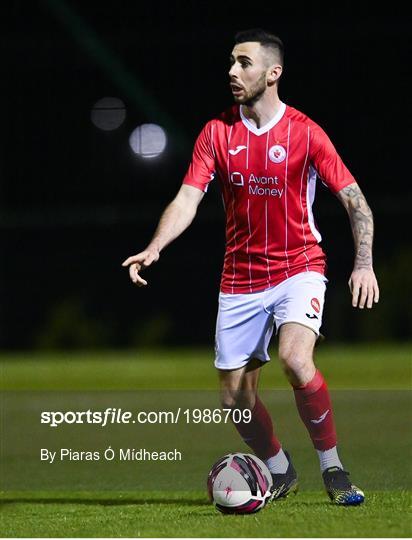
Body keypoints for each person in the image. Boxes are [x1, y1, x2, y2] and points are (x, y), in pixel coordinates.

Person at [122, 28, 379, 506]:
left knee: (295, 360)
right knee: (234, 400)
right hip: (240, 279)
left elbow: (355, 201)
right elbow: (187, 198)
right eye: (231, 63)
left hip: (299, 266)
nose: (232, 72)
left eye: (243, 63)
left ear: (272, 73)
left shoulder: (305, 132)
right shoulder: (217, 132)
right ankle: (280, 470)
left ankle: (334, 468)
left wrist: (363, 263)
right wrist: (156, 245)